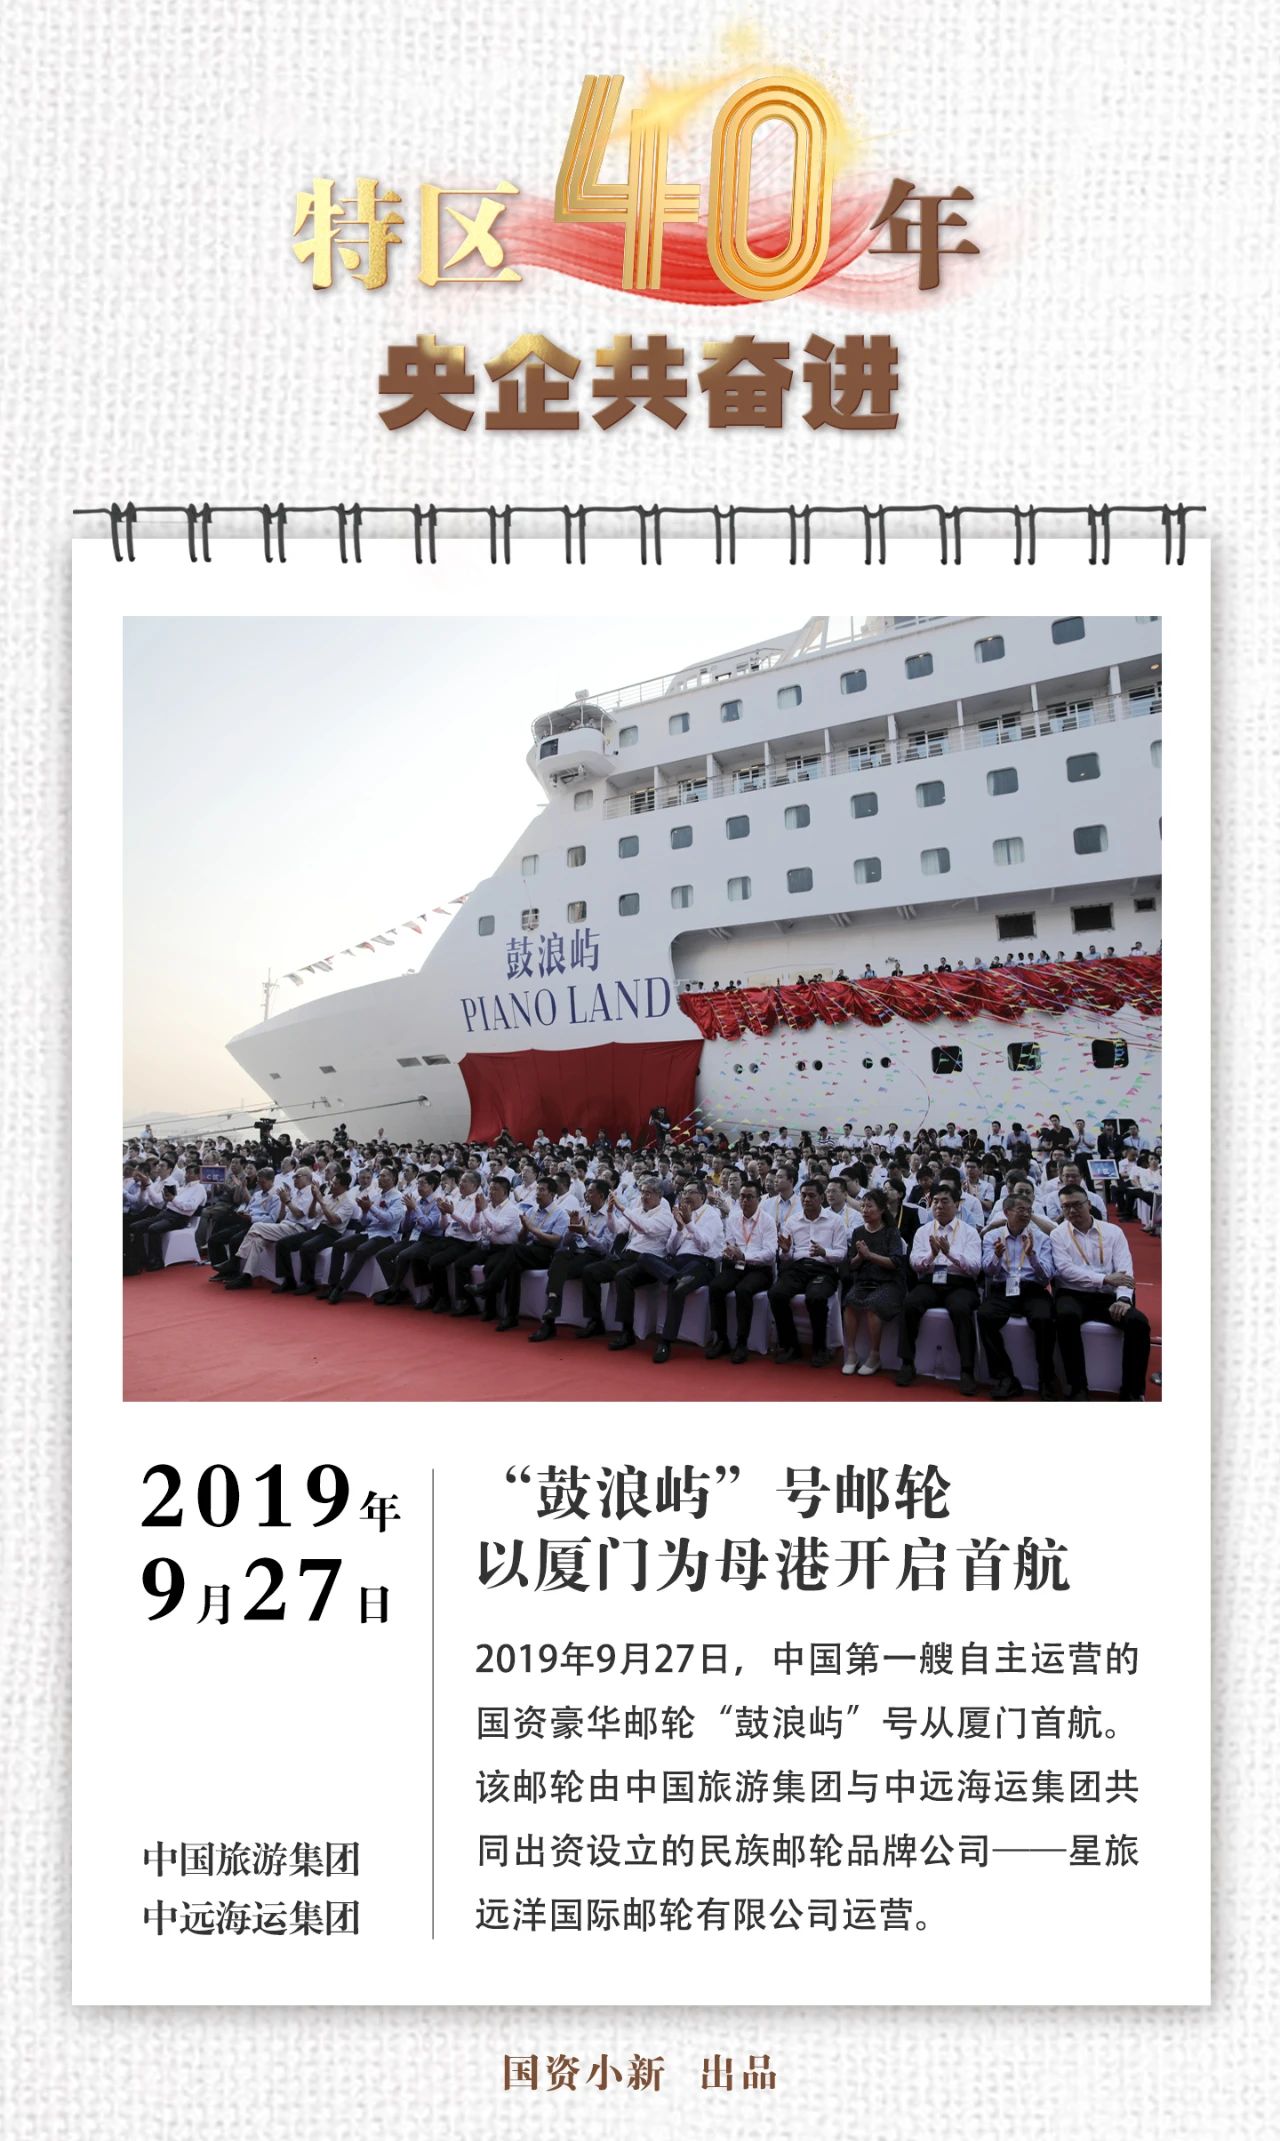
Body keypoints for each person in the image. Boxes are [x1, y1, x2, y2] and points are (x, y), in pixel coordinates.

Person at [1048, 1186, 1151, 1400]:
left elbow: (1125, 1269)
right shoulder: (1058, 1234)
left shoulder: (1113, 1232)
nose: (1072, 1210)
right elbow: (1065, 1270)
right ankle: (1077, 1387)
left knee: (1138, 1322)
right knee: (1066, 1317)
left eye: (1077, 1204)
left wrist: (1124, 1298)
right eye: (1066, 1206)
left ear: (1089, 1204)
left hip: (1107, 1296)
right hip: (1073, 1293)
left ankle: (1132, 1391)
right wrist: (1103, 1278)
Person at [896, 1184, 982, 1393]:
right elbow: (915, 1264)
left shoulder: (969, 1232)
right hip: (931, 1281)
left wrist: (950, 1253)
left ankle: (967, 1370)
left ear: (957, 1205)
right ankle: (907, 1363)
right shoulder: (923, 1231)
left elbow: (974, 1268)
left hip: (960, 1283)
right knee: (910, 1304)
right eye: (935, 1201)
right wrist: (932, 1255)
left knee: (961, 1309)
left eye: (945, 1201)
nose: (939, 1206)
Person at [976, 1190, 1057, 1401]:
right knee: (985, 1316)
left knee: (1044, 1318)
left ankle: (1047, 1378)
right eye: (1021, 1210)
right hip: (1004, 1288)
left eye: (1029, 1210)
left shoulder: (1040, 1238)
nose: (1026, 1214)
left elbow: (1046, 1278)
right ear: (1006, 1212)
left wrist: (1032, 1256)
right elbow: (988, 1272)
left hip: (1032, 1289)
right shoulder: (993, 1237)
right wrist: (996, 1256)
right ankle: (1005, 1377)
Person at [529, 1180, 620, 1341]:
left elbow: (605, 1250)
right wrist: (572, 1229)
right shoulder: (581, 1212)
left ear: (601, 1196)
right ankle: (551, 1309)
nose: (586, 1194)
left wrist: (585, 1234)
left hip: (594, 1255)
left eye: (590, 1192)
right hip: (574, 1252)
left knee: (561, 1269)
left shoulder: (610, 1217)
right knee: (560, 1256)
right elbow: (565, 1241)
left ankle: (551, 1319)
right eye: (587, 1191)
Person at [768, 1182, 846, 1367]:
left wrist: (824, 1252)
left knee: (816, 1297)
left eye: (811, 1195)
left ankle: (820, 1349)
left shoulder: (835, 1221)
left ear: (821, 1197)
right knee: (776, 1294)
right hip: (798, 1267)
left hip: (823, 1268)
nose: (806, 1199)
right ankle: (791, 1346)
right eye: (803, 1195)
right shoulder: (792, 1221)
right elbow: (786, 1257)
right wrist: (785, 1251)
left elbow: (841, 1253)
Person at [481, 1178, 569, 1331]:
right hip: (529, 1250)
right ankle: (511, 1316)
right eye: (537, 1189)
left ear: (552, 1194)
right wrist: (524, 1228)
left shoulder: (561, 1214)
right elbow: (521, 1238)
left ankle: (489, 1286)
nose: (538, 1193)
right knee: (513, 1267)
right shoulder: (532, 1211)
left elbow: (555, 1241)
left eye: (542, 1190)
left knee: (514, 1249)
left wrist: (533, 1229)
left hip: (546, 1253)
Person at [652, 1184, 725, 1363]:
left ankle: (665, 1341)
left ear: (702, 1196)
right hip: (678, 1262)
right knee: (644, 1258)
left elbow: (705, 1245)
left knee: (677, 1289)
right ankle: (675, 1277)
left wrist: (690, 1223)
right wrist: (679, 1227)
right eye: (684, 1192)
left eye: (691, 1192)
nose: (686, 1195)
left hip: (701, 1263)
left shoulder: (712, 1215)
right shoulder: (679, 1214)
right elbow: (671, 1249)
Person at [840, 1188, 908, 1378]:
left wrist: (870, 1255)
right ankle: (851, 1353)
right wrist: (860, 1257)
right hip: (864, 1282)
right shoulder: (858, 1232)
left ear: (882, 1209)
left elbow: (895, 1262)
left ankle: (874, 1354)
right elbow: (851, 1265)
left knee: (874, 1305)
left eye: (869, 1206)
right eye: (863, 1206)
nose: (864, 1210)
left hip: (889, 1282)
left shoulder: (891, 1232)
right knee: (849, 1302)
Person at [706, 1182, 777, 1363]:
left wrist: (745, 1256)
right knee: (715, 1287)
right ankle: (721, 1339)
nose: (745, 1200)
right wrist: (729, 1251)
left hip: (759, 1269)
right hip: (737, 1265)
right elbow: (729, 1242)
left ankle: (741, 1342)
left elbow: (770, 1253)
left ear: (759, 1199)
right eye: (742, 1197)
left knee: (743, 1290)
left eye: (749, 1197)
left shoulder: (767, 1221)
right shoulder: (733, 1218)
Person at [606, 1183, 676, 1351]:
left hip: (650, 1263)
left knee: (623, 1277)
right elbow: (616, 1229)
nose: (644, 1196)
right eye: (642, 1192)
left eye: (648, 1193)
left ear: (659, 1196)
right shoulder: (636, 1211)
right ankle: (594, 1321)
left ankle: (627, 1331)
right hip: (628, 1257)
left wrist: (622, 1208)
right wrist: (610, 1212)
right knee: (591, 1271)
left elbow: (646, 1228)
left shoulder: (665, 1215)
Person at [320, 1168, 406, 1302]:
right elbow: (365, 1222)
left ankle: (342, 1287)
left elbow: (388, 1219)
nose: (380, 1178)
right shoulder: (377, 1196)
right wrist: (365, 1211)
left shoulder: (399, 1198)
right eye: (379, 1176)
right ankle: (333, 1284)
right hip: (370, 1232)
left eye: (384, 1176)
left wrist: (370, 1207)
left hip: (387, 1236)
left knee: (362, 1250)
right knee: (338, 1245)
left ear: (393, 1178)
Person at [290, 1170, 357, 1293]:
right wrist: (315, 1199)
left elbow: (334, 1220)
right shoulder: (327, 1197)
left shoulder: (348, 1203)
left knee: (307, 1247)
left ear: (344, 1187)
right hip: (318, 1229)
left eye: (335, 1184)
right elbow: (311, 1215)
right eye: (332, 1182)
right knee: (285, 1242)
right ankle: (288, 1280)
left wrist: (321, 1201)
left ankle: (309, 1283)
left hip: (333, 1233)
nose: (332, 1185)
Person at [208, 1169, 280, 1278]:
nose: (260, 1185)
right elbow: (249, 1207)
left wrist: (252, 1218)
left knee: (235, 1240)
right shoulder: (257, 1194)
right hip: (245, 1221)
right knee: (214, 1239)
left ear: (271, 1180)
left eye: (263, 1182)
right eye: (258, 1182)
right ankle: (224, 1270)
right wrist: (244, 1212)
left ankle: (233, 1272)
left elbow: (272, 1219)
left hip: (259, 1226)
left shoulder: (276, 1196)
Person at [136, 1164, 208, 1269]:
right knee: (136, 1226)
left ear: (198, 1175)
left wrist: (173, 1199)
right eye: (186, 1173)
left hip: (180, 1218)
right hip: (166, 1213)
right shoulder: (184, 1187)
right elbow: (171, 1201)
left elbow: (190, 1207)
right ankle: (142, 1258)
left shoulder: (199, 1189)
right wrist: (169, 1199)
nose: (186, 1175)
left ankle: (157, 1260)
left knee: (153, 1228)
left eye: (190, 1173)